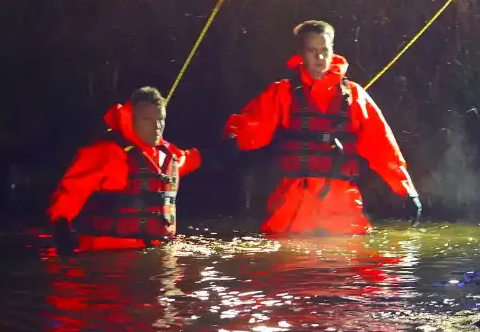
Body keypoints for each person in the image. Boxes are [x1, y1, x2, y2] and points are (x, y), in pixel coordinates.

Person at [225, 20, 422, 237]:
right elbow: (251, 127)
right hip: (294, 204)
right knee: (287, 262)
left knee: (356, 263)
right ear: (300, 53)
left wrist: (406, 190)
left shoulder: (354, 95)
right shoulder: (282, 93)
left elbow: (382, 146)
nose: (319, 58)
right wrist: (227, 145)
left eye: (324, 51)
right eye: (312, 51)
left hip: (342, 205)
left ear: (332, 51)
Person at [48, 87, 201, 255]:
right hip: (107, 255)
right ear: (131, 118)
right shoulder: (105, 153)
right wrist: (61, 231)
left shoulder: (166, 154)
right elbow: (70, 193)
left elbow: (190, 160)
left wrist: (229, 143)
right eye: (148, 119)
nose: (157, 126)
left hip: (156, 253)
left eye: (161, 119)